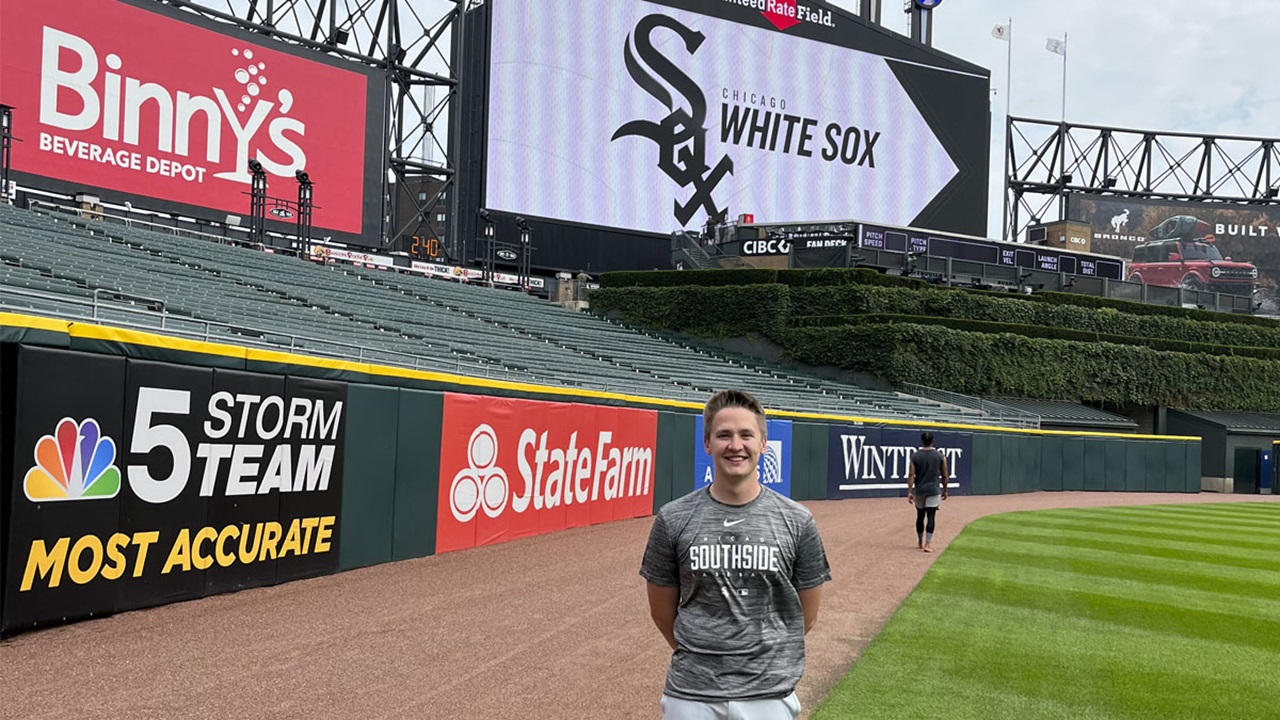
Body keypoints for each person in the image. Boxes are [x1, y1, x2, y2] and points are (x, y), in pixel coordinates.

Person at [640, 389, 831, 720]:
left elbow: (806, 616)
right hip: (692, 695)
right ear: (707, 444)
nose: (735, 445)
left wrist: (760, 661)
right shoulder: (673, 518)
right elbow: (661, 613)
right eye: (723, 435)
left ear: (763, 444)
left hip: (768, 696)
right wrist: (703, 657)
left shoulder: (797, 520)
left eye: (746, 435)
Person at [906, 431, 949, 553]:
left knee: (920, 516)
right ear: (932, 441)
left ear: (921, 441)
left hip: (920, 490)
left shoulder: (915, 456)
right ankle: (927, 544)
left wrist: (910, 491)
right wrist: (945, 490)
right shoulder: (940, 456)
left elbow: (911, 474)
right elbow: (945, 475)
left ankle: (919, 541)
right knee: (931, 516)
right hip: (934, 490)